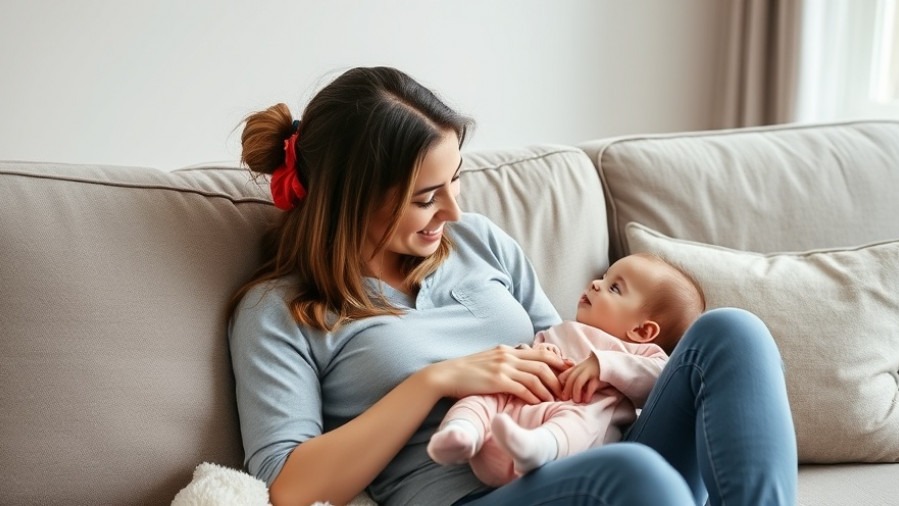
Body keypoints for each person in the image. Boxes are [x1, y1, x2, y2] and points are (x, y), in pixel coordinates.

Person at [228, 66, 797, 506]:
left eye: (454, 181)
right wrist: (434, 381)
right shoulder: (279, 310)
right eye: (426, 197)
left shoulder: (479, 241)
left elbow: (564, 347)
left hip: (583, 443)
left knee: (730, 331)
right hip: (480, 492)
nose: (453, 208)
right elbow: (286, 486)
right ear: (349, 198)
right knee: (635, 475)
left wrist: (612, 371)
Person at [427, 253, 705, 487]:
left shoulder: (641, 354)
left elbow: (663, 381)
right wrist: (534, 355)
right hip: (508, 423)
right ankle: (463, 432)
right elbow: (526, 355)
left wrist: (604, 364)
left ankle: (540, 447)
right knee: (483, 395)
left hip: (567, 434)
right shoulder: (562, 329)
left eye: (615, 288)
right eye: (604, 277)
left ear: (643, 330)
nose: (596, 284)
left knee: (586, 416)